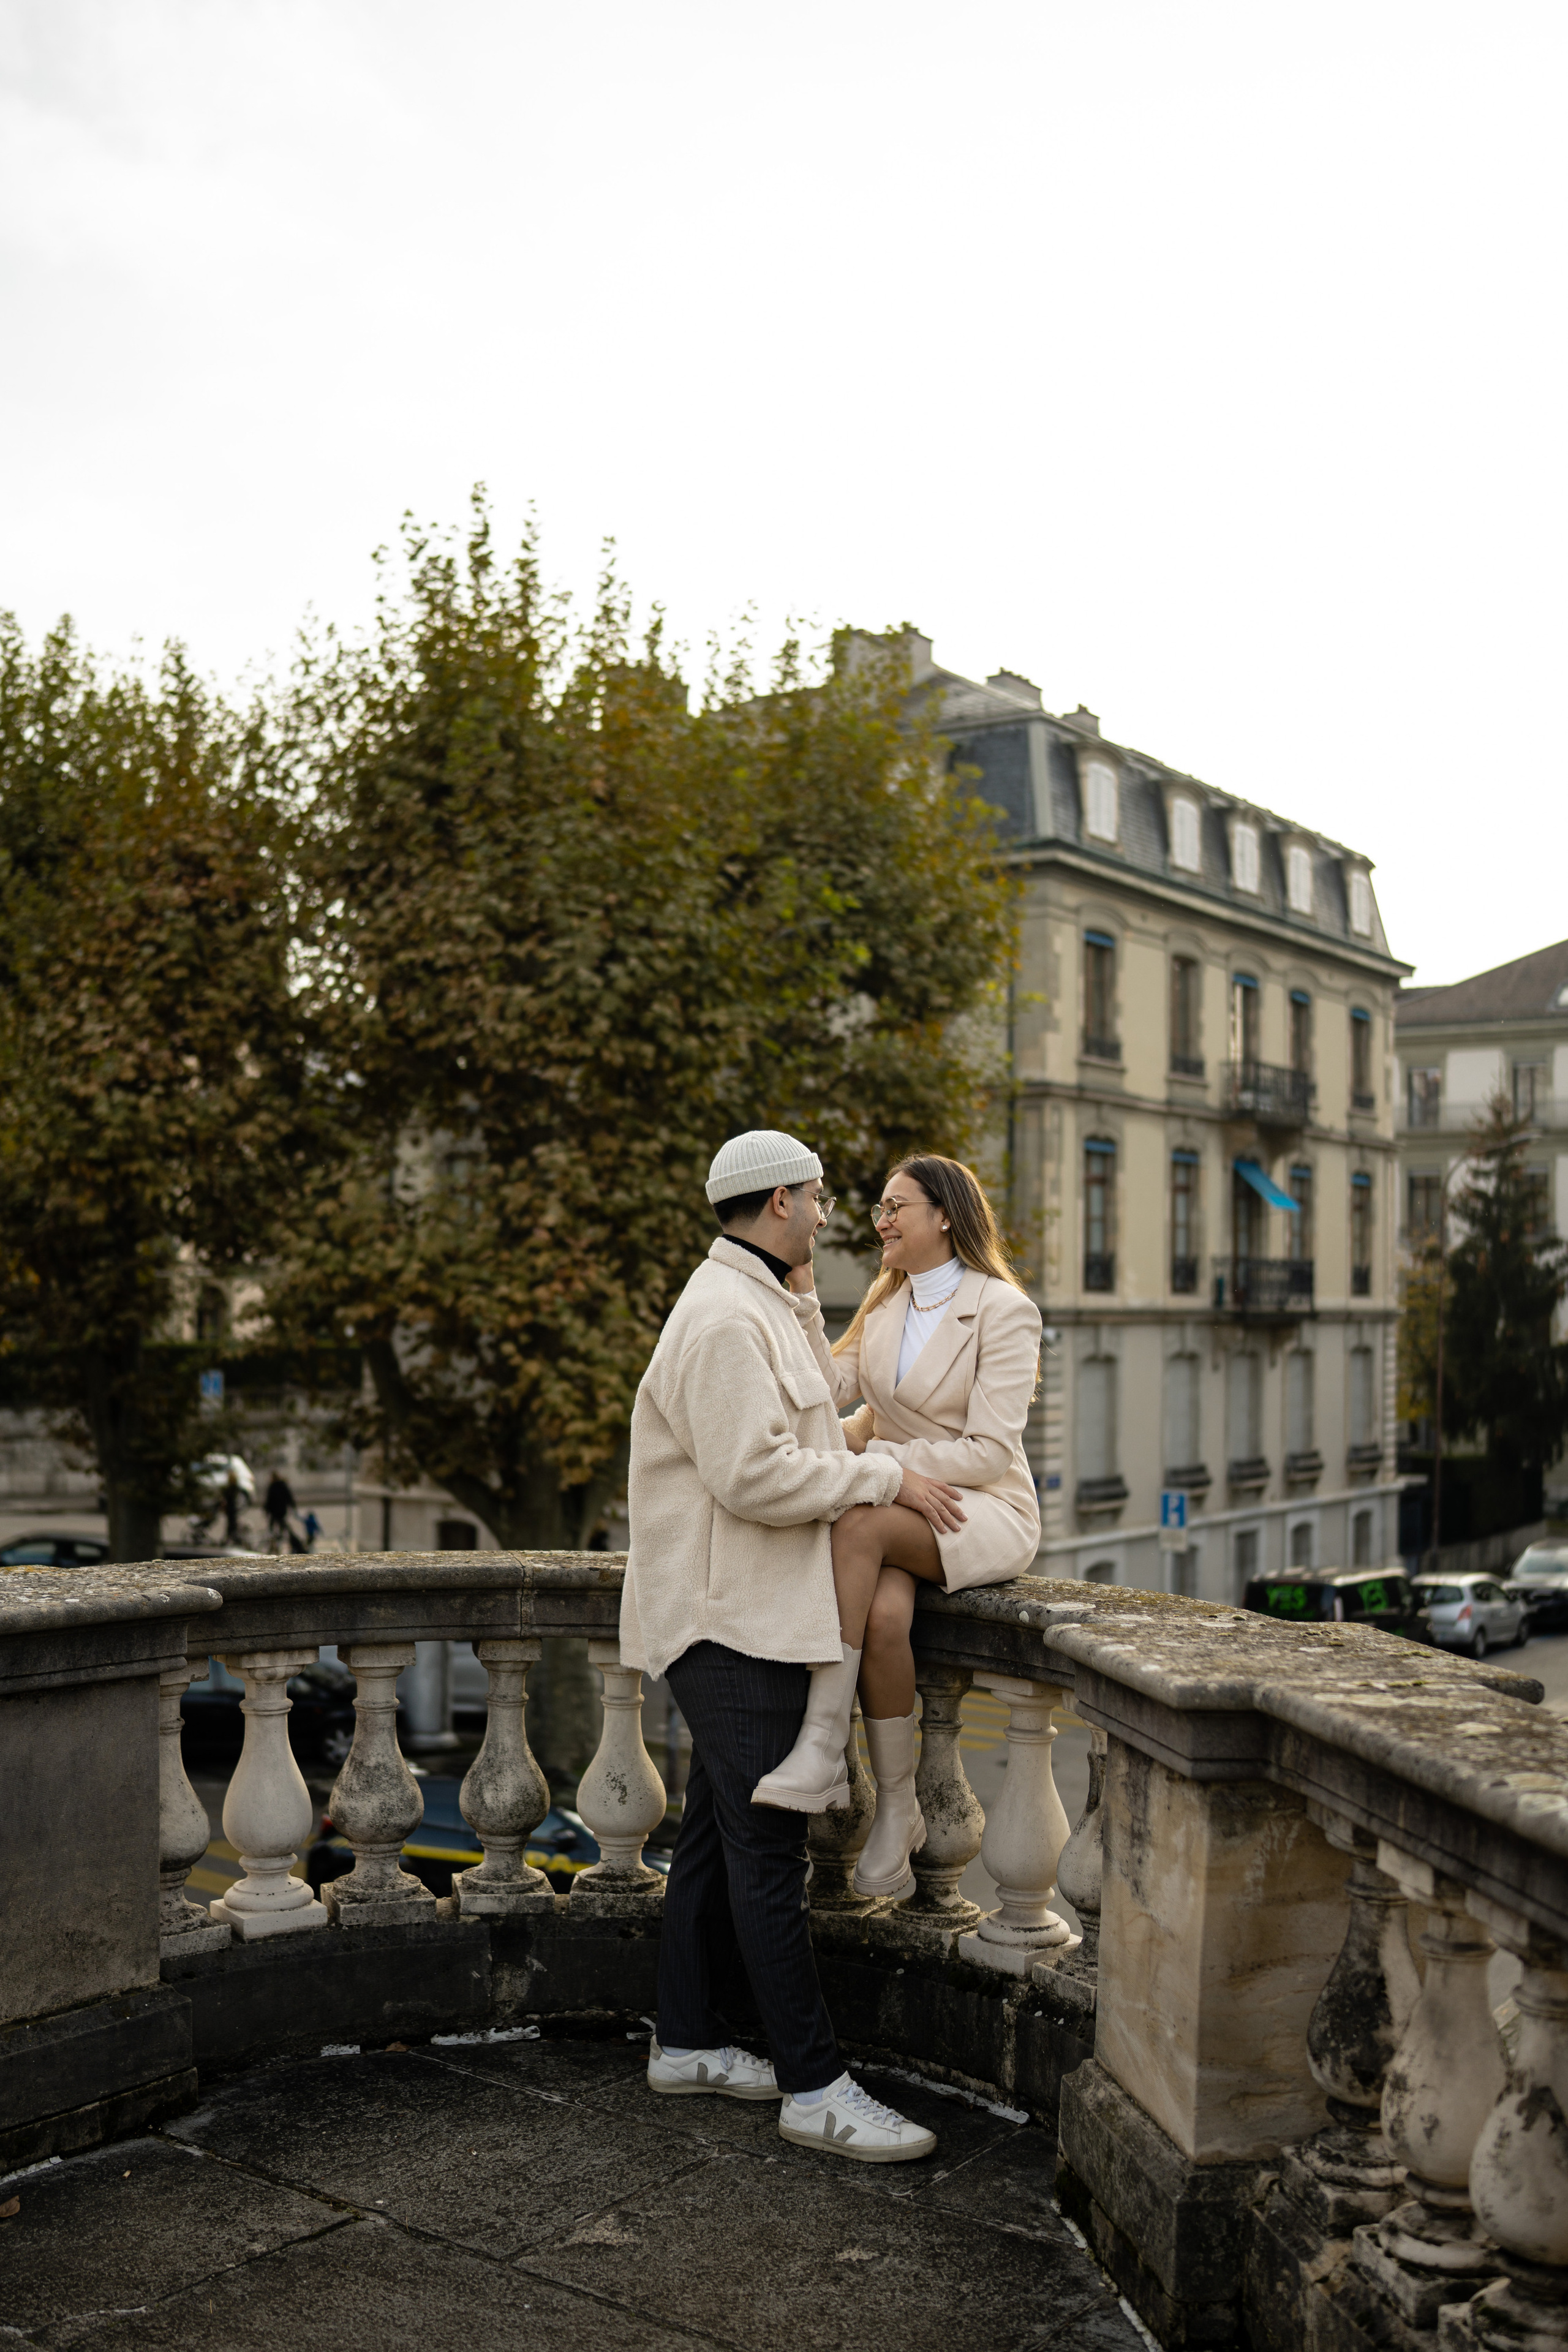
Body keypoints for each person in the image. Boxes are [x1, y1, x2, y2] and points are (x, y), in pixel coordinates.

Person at [620, 1128, 965, 2164]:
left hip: (743, 1611)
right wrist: (886, 1481)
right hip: (729, 1622)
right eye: (816, 1198)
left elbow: (802, 1439)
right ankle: (815, 2087)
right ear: (776, 1204)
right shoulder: (726, 1318)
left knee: (720, 1841)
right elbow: (756, 1477)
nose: (829, 1213)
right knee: (771, 1853)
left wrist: (881, 1429)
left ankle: (686, 2042)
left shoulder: (764, 1304)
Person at [752, 1155, 1042, 1901]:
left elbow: (986, 1452)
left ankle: (821, 1740)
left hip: (978, 1507)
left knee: (855, 1516)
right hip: (902, 1507)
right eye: (877, 1206)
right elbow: (827, 1392)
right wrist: (805, 1296)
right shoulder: (885, 1308)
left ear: (943, 1215)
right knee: (883, 1619)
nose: (879, 1219)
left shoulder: (1004, 1311)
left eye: (894, 1207)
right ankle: (899, 1808)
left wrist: (880, 1461)